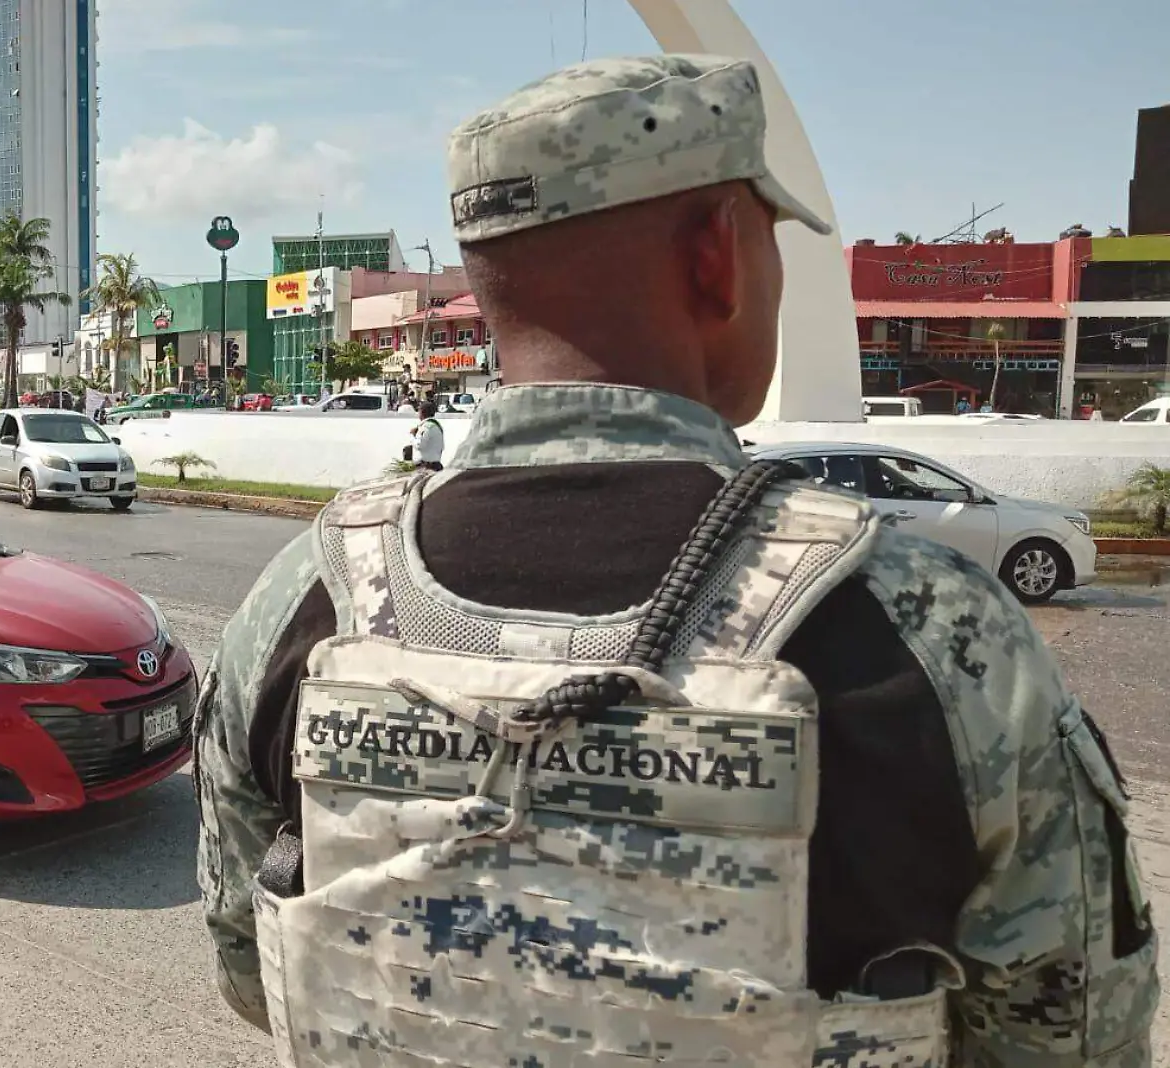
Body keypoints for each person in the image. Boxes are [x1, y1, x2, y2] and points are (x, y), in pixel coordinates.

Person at [195, 55, 1157, 1067]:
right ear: (718, 257)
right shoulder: (933, 635)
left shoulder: (303, 602)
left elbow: (252, 973)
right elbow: (1072, 1034)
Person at [408, 398, 444, 471]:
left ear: (422, 412)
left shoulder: (426, 426)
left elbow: (420, 445)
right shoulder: (436, 426)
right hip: (435, 464)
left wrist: (412, 436)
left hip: (426, 467)